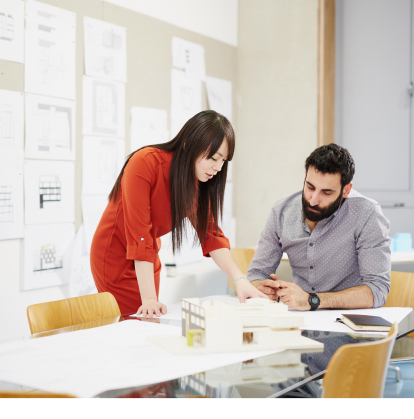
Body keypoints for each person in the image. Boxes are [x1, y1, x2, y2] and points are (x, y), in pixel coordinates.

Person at [91, 110, 266, 317]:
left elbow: (212, 236)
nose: (218, 167)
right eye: (213, 158)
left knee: (148, 319)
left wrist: (240, 280)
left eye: (223, 160)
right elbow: (140, 234)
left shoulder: (199, 181)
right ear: (188, 144)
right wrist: (148, 299)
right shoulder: (145, 163)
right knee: (134, 322)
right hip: (115, 254)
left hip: (147, 257)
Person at [247, 143, 391, 311]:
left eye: (327, 193)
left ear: (346, 190)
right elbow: (256, 273)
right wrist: (261, 288)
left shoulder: (367, 213)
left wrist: (312, 300)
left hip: (352, 323)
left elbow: (377, 290)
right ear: (305, 177)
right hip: (302, 321)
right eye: (310, 187)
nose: (313, 200)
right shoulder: (282, 211)